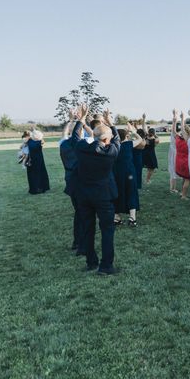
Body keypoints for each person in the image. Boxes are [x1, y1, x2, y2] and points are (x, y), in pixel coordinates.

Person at [73, 105, 120, 274]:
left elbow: (75, 137)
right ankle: (106, 266)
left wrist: (81, 119)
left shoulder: (81, 149)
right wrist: (110, 122)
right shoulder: (111, 152)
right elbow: (117, 139)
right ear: (106, 139)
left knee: (88, 228)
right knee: (107, 230)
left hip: (84, 195)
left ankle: (91, 262)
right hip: (103, 196)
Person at [59, 109, 83, 253]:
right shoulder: (82, 145)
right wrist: (82, 119)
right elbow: (92, 134)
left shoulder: (63, 144)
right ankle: (80, 242)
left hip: (70, 180)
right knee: (82, 212)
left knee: (78, 211)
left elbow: (64, 134)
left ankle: (77, 241)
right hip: (81, 180)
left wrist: (70, 120)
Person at [113, 123, 141, 226]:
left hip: (116, 173)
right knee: (131, 191)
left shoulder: (113, 146)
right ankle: (132, 218)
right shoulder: (129, 144)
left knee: (117, 192)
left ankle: (116, 217)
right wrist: (133, 131)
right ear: (126, 136)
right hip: (129, 172)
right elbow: (140, 139)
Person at [25, 127, 50, 194]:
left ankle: (34, 188)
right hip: (38, 160)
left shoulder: (29, 141)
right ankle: (41, 188)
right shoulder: (39, 142)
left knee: (32, 175)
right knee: (39, 174)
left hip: (31, 160)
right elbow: (41, 140)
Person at [175, 111, 190, 199]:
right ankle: (184, 195)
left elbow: (174, 131)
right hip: (186, 161)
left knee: (184, 178)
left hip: (179, 160)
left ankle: (182, 193)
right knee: (187, 178)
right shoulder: (188, 140)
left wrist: (180, 119)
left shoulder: (177, 138)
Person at [132, 115, 147, 190]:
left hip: (135, 158)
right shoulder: (143, 140)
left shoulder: (137, 142)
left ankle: (136, 184)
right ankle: (138, 184)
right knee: (138, 171)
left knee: (135, 171)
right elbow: (143, 129)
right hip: (139, 157)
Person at [168, 109, 179, 194]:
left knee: (173, 172)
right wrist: (175, 115)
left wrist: (175, 115)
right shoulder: (175, 136)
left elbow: (174, 127)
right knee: (173, 172)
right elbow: (173, 128)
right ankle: (172, 188)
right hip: (174, 154)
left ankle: (173, 188)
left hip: (173, 153)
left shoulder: (174, 136)